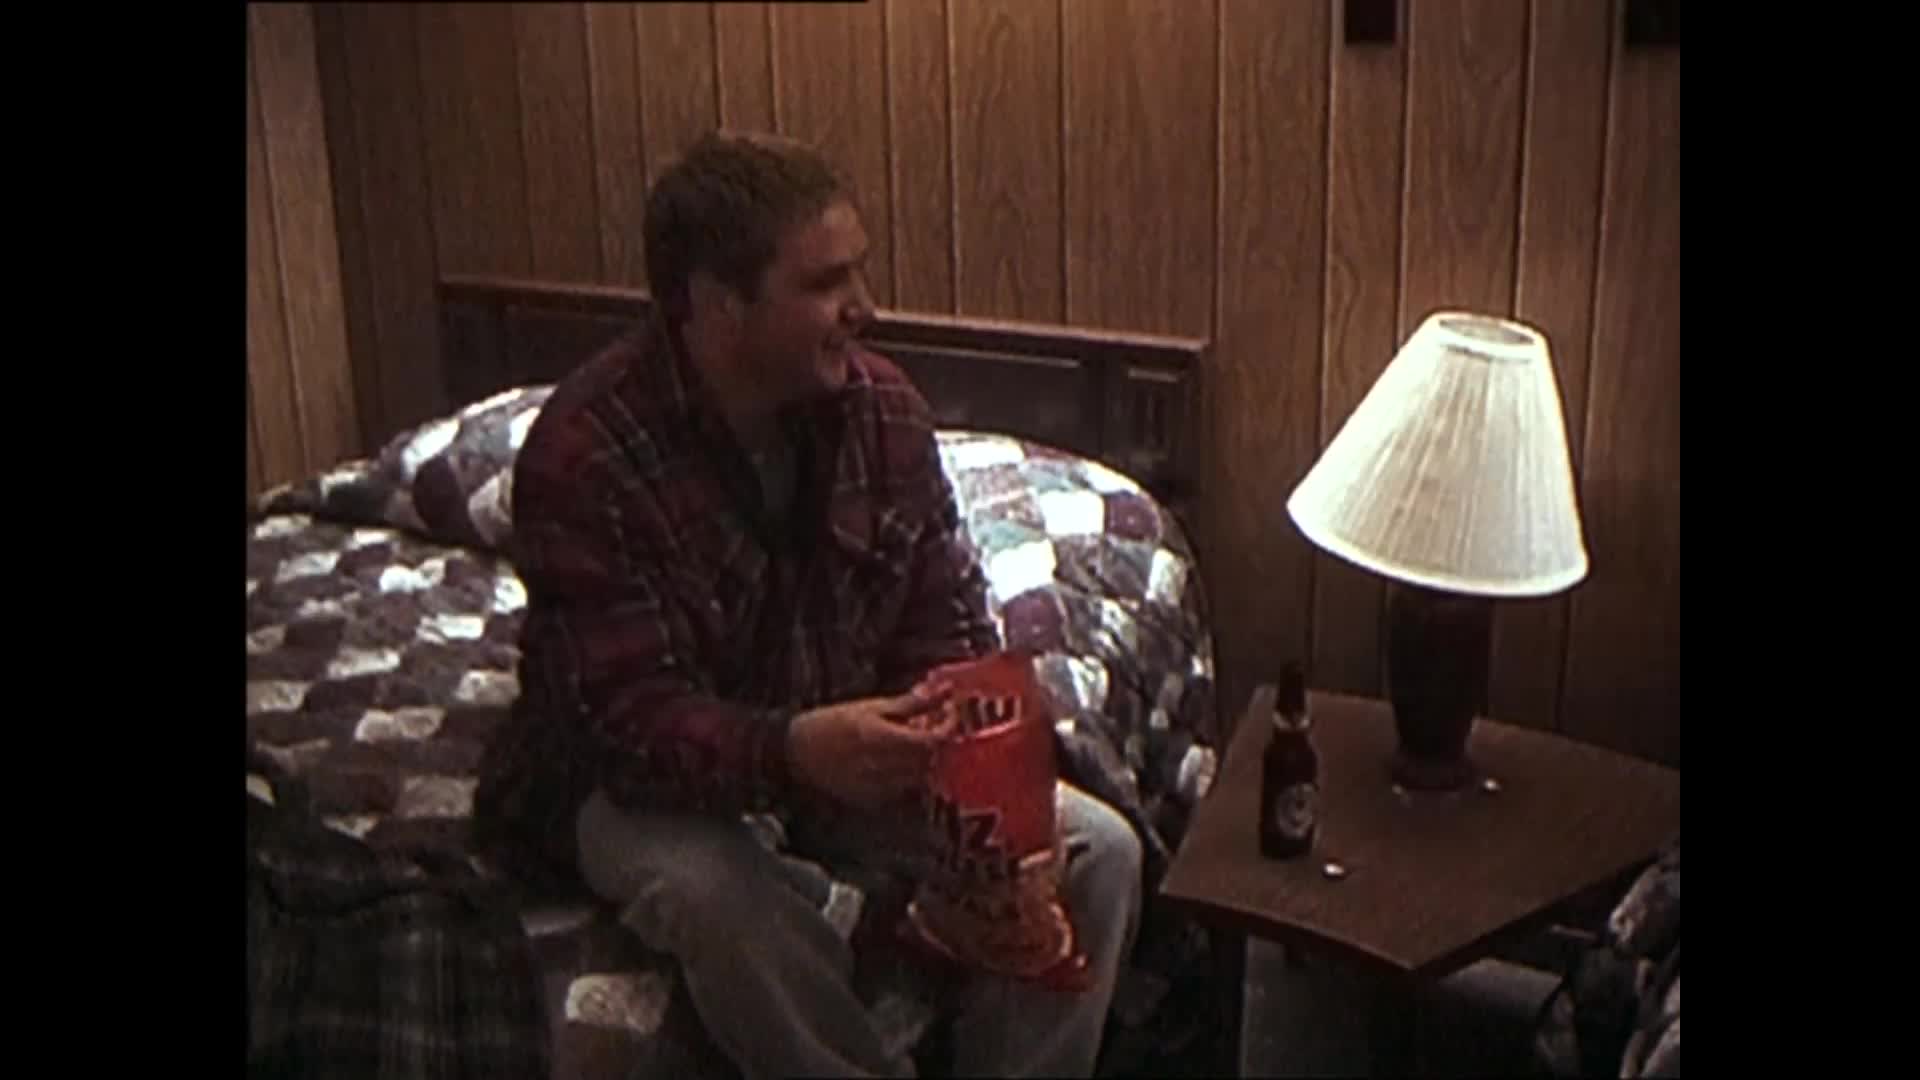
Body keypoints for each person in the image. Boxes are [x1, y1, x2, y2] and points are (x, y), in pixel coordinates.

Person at [473, 130, 1143, 1079]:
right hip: (631, 780)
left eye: (858, 272)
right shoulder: (587, 457)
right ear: (717, 304)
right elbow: (625, 724)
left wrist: (964, 754)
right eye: (827, 283)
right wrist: (792, 752)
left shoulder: (882, 413)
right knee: (715, 894)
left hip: (845, 744)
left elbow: (945, 617)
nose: (865, 308)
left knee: (1098, 853)